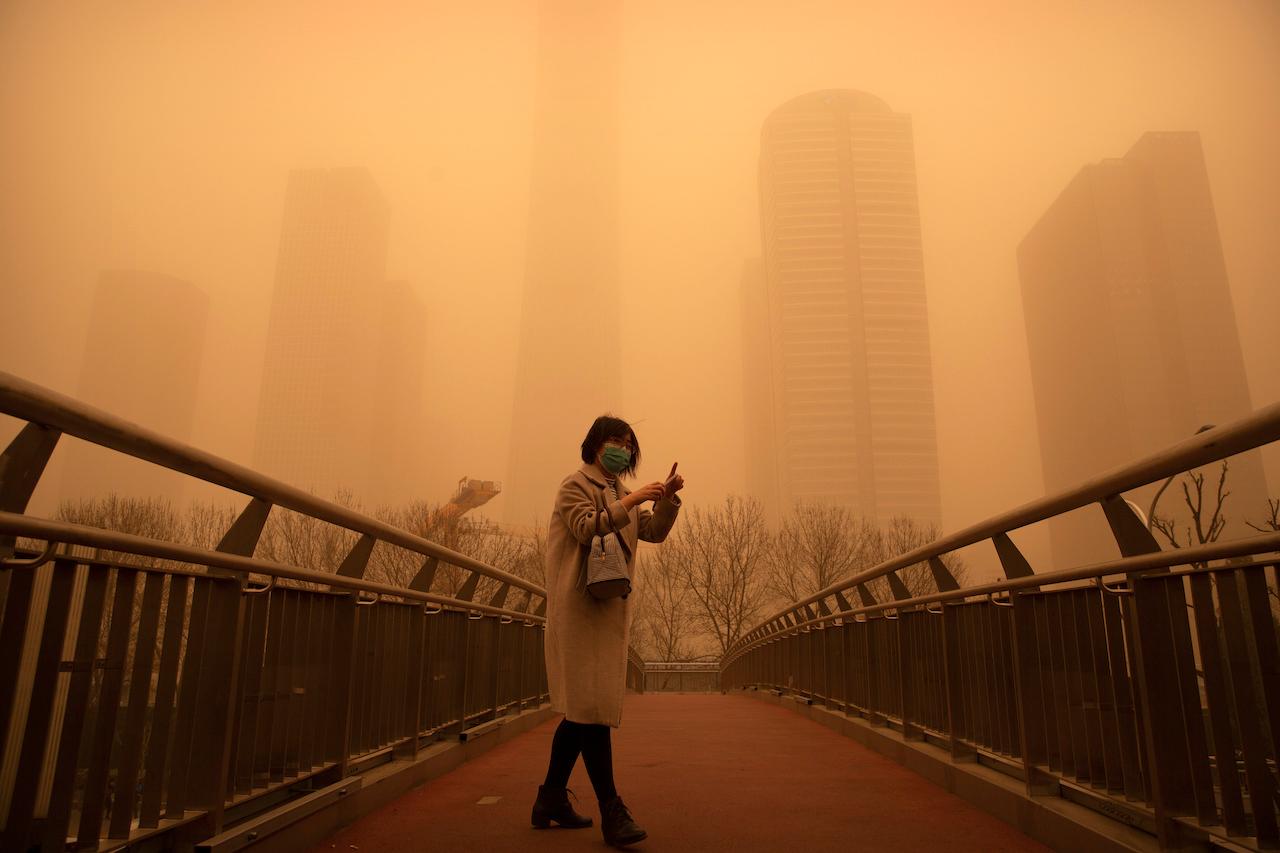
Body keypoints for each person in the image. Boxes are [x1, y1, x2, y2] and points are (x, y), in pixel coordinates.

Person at [531, 415, 684, 848]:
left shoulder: (618, 493)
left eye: (628, 443)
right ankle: (612, 811)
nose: (621, 448)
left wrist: (666, 500)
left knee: (582, 710)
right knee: (591, 711)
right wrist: (633, 499)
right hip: (579, 612)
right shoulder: (573, 485)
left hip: (608, 612)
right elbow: (586, 527)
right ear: (595, 444)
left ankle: (550, 799)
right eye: (615, 440)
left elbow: (650, 533)